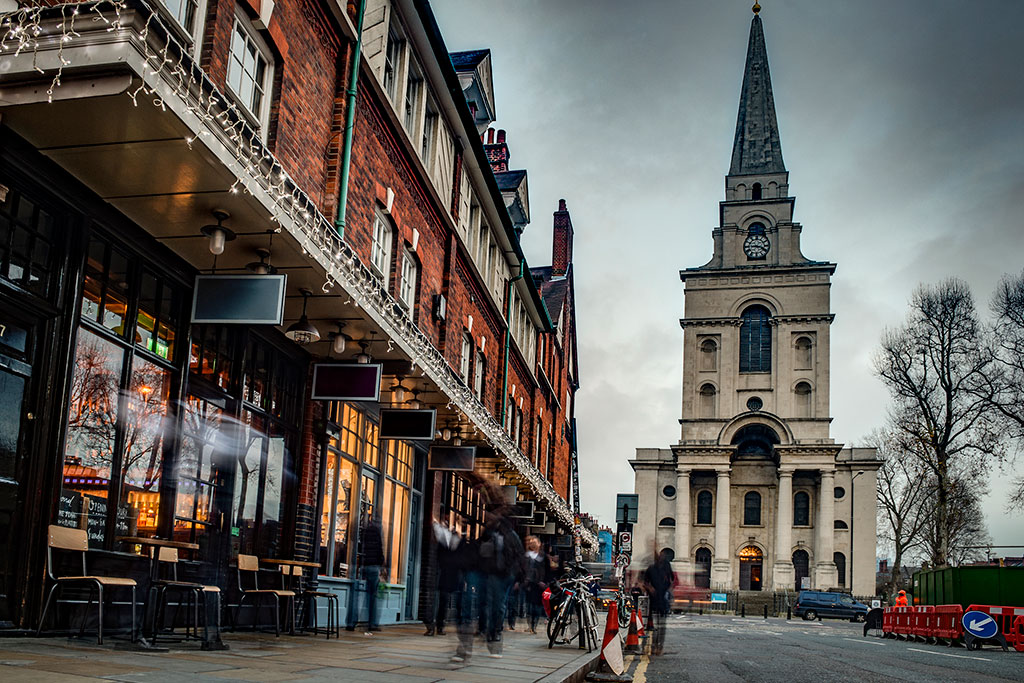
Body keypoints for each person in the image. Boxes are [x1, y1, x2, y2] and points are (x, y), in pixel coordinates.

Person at [478, 506, 524, 657]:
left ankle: (495, 633)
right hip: (489, 573)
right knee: (487, 604)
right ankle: (487, 631)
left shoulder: (511, 535)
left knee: (498, 606)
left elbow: (519, 557)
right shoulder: (489, 532)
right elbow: (479, 549)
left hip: (504, 575)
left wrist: (517, 578)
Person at [346, 512, 386, 634]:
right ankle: (371, 623)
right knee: (372, 596)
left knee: (355, 594)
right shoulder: (376, 530)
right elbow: (379, 548)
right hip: (372, 566)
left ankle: (351, 622)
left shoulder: (357, 527)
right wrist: (382, 564)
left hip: (358, 564)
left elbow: (351, 541)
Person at [425, 517, 461, 636]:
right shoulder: (441, 539)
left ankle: (436, 626)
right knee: (437, 602)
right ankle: (435, 626)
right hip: (441, 576)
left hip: (445, 576)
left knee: (440, 602)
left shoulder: (450, 541)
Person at [642, 548, 677, 656]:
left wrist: (669, 591)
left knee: (661, 625)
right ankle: (654, 646)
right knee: (656, 626)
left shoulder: (666, 566)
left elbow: (672, 579)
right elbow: (644, 581)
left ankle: (658, 647)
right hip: (654, 599)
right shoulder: (651, 568)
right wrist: (650, 588)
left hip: (663, 599)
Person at [522, 535, 547, 634]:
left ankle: (534, 625)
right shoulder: (526, 556)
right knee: (529, 606)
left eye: (534, 543)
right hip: (528, 583)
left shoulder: (543, 556)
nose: (532, 544)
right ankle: (530, 625)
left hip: (539, 584)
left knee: (536, 606)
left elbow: (546, 570)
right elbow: (522, 569)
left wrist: (544, 582)